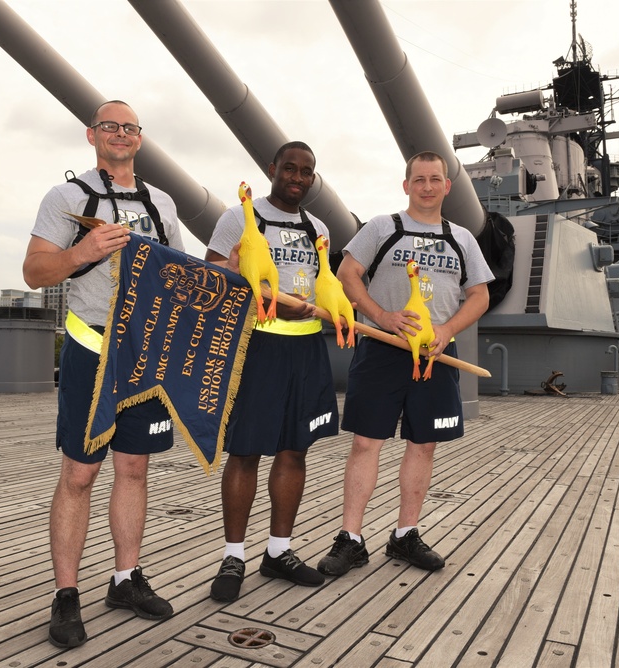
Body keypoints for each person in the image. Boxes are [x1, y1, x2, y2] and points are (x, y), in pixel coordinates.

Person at [24, 100, 186, 648]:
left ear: (140, 138)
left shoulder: (162, 203)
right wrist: (82, 252)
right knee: (78, 475)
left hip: (146, 355)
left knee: (135, 469)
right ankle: (66, 595)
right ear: (92, 135)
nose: (120, 133)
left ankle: (125, 579)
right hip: (92, 349)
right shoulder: (65, 197)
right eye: (110, 126)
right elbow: (33, 271)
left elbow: (180, 277)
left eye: (130, 127)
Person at [317, 151, 493, 577]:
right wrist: (382, 317)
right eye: (419, 179)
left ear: (447, 186)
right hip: (381, 350)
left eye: (435, 179)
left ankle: (405, 534)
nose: (427, 186)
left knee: (424, 444)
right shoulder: (382, 227)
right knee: (366, 443)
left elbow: (480, 295)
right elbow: (348, 273)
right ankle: (351, 539)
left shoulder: (463, 239)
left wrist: (448, 330)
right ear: (406, 185)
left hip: (435, 355)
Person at [204, 141, 340, 602]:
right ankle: (234, 556)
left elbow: (325, 284)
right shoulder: (239, 218)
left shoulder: (317, 226)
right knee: (244, 452)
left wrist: (325, 308)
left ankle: (278, 551)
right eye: (289, 169)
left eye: (306, 171)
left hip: (305, 350)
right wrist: (239, 269)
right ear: (272, 169)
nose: (297, 177)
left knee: (294, 450)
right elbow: (212, 274)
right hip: (256, 346)